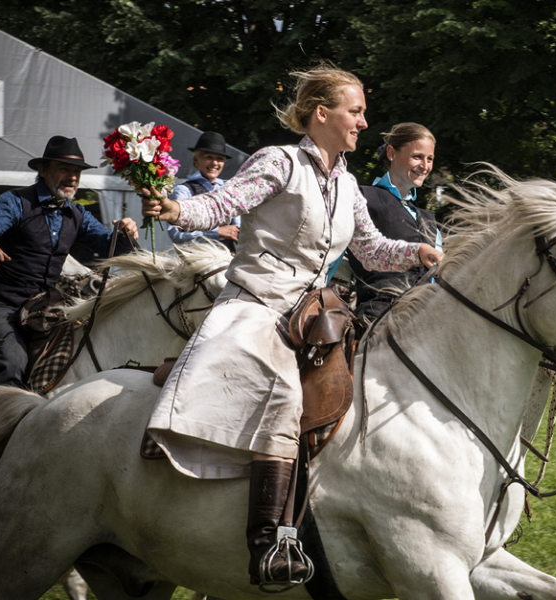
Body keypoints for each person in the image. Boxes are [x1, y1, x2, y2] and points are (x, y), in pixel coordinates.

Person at [139, 63, 444, 586]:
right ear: (321, 114)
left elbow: (370, 248)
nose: (364, 123)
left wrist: (418, 249)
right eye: (356, 111)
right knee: (283, 398)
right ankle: (268, 542)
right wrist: (176, 208)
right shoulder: (278, 161)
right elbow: (223, 203)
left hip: (314, 314)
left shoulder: (347, 183)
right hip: (255, 305)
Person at [0, 135, 139, 388]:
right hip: (1, 305)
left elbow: (109, 245)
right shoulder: (16, 202)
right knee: (12, 363)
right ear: (43, 170)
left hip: (45, 308)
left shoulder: (77, 213)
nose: (72, 177)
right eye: (65, 169)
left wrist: (126, 233)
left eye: (77, 171)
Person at [348, 123, 441, 322]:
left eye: (430, 159)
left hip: (427, 320)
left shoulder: (429, 219)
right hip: (378, 319)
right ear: (391, 153)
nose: (424, 166)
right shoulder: (362, 198)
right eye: (417, 156)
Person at [166, 131, 240, 253]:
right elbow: (176, 234)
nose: (215, 163)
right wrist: (217, 232)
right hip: (198, 263)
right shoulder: (184, 191)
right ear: (196, 160)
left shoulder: (229, 189)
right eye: (209, 157)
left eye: (220, 159)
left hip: (229, 259)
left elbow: (239, 226)